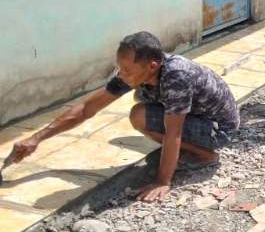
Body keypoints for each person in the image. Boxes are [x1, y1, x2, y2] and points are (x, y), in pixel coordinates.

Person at [11, 32, 240, 203]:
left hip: (218, 128)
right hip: (197, 117)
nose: (122, 74)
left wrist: (162, 181)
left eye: (128, 70)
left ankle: (206, 155)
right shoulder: (133, 72)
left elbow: (174, 131)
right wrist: (37, 138)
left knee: (140, 115)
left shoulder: (176, 76)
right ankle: (187, 152)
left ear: (152, 65)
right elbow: (86, 108)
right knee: (141, 108)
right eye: (120, 68)